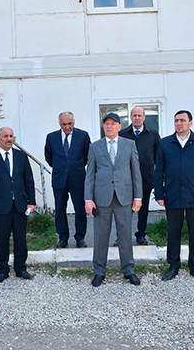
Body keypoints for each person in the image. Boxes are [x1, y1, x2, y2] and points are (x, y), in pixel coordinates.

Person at [154, 110, 194, 282]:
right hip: (173, 195)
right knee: (173, 232)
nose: (179, 123)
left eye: (182, 120)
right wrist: (159, 194)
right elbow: (158, 171)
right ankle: (173, 265)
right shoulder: (165, 143)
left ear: (190, 123)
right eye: (176, 120)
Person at [85, 113, 142, 287]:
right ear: (103, 127)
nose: (109, 126)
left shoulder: (129, 144)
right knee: (100, 236)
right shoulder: (95, 147)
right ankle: (99, 271)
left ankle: (128, 269)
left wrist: (138, 197)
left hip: (124, 196)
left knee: (125, 235)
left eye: (113, 123)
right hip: (102, 198)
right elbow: (90, 175)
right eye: (106, 124)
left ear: (119, 126)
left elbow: (136, 172)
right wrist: (88, 199)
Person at [0, 127, 36, 284]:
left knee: (20, 239)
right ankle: (2, 270)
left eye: (11, 136)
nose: (9, 139)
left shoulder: (21, 156)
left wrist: (31, 202)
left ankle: (20, 268)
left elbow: (29, 180)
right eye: (5, 136)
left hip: (20, 205)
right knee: (1, 239)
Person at [44, 111, 91, 249]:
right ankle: (63, 238)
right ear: (59, 123)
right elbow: (48, 156)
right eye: (64, 124)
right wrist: (61, 167)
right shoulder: (51, 137)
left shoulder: (83, 136)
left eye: (70, 124)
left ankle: (80, 237)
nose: (67, 127)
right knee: (60, 210)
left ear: (74, 122)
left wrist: (75, 167)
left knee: (80, 210)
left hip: (78, 178)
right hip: (59, 179)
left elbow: (87, 155)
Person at [119, 106, 160, 245]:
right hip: (126, 179)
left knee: (143, 209)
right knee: (124, 210)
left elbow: (158, 157)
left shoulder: (153, 135)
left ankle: (141, 234)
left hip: (145, 179)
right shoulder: (122, 134)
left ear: (144, 117)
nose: (137, 118)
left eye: (139, 115)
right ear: (130, 117)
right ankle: (122, 236)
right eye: (134, 115)